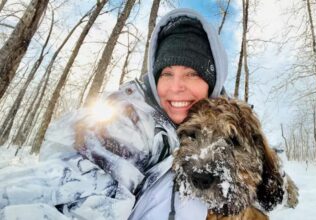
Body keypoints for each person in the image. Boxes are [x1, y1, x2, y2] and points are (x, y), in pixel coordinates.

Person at [0, 8, 228, 220]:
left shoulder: (232, 137)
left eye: (192, 74)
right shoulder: (131, 120)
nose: (176, 87)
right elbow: (78, 186)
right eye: (167, 73)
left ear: (212, 83)